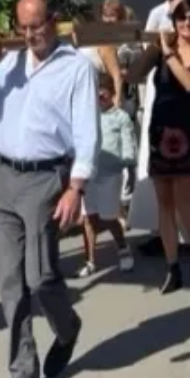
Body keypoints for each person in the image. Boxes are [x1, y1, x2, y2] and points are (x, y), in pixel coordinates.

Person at [0, 0, 98, 378]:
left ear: (53, 21)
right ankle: (23, 373)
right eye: (22, 28)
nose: (29, 35)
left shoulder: (76, 69)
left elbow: (87, 133)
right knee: (11, 283)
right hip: (4, 175)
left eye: (37, 26)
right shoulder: (8, 63)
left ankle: (67, 326)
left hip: (46, 178)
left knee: (41, 276)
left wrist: (76, 187)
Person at [129, 0, 190, 292]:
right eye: (181, 18)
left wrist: (169, 55)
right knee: (163, 202)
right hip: (161, 127)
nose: (187, 24)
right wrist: (153, 48)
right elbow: (135, 75)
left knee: (183, 201)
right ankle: (172, 267)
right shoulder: (164, 46)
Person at [77, 72, 136, 277]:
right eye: (95, 96)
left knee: (109, 218)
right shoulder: (86, 117)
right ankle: (90, 260)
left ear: (111, 94)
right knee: (89, 218)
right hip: (89, 173)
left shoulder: (121, 117)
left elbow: (129, 144)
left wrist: (127, 162)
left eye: (103, 95)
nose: (99, 99)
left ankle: (122, 248)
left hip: (111, 174)